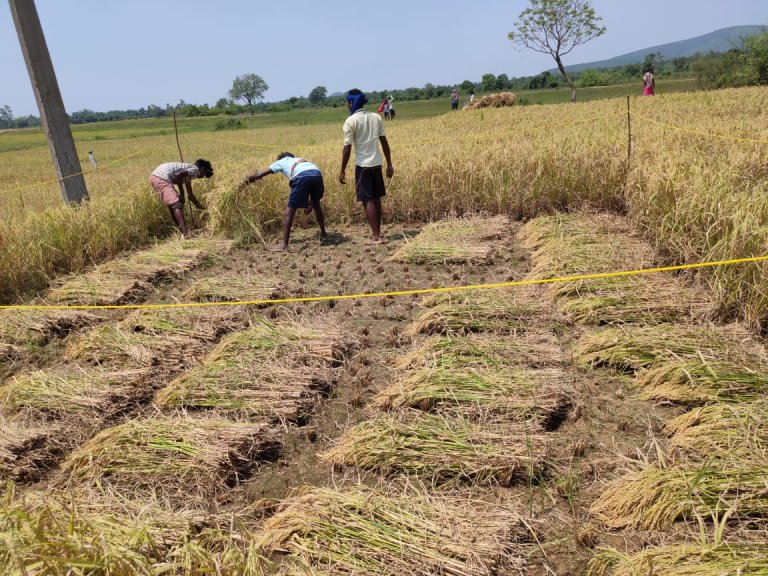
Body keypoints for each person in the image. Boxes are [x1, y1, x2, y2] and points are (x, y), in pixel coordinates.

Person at [339, 88, 394, 244]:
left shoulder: (351, 121)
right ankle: (379, 232)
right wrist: (389, 164)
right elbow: (384, 142)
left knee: (367, 200)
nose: (347, 106)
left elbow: (347, 148)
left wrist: (342, 170)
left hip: (362, 166)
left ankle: (376, 236)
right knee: (376, 199)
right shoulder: (376, 117)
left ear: (351, 103)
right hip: (377, 164)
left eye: (347, 103)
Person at [243, 152, 327, 252]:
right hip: (317, 174)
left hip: (301, 176)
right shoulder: (301, 160)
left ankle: (284, 246)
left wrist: (245, 182)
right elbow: (314, 185)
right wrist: (311, 204)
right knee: (317, 205)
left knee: (289, 212)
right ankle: (324, 234)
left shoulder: (281, 161)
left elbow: (260, 174)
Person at [149, 159, 212, 238]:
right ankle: (186, 234)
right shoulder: (195, 169)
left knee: (173, 205)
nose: (203, 177)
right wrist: (182, 193)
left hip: (157, 176)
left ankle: (183, 233)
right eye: (205, 174)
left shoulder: (188, 174)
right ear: (202, 169)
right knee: (176, 204)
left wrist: (204, 210)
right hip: (161, 177)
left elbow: (190, 195)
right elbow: (178, 175)